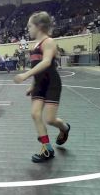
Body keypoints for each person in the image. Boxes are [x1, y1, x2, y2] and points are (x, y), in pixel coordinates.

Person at [13, 11, 71, 163]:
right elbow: (37, 68)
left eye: (30, 26)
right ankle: (47, 149)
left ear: (39, 26)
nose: (28, 29)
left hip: (52, 84)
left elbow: (46, 63)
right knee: (35, 114)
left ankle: (64, 128)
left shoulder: (49, 42)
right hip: (39, 84)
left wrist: (25, 76)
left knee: (50, 119)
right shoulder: (34, 45)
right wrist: (32, 84)